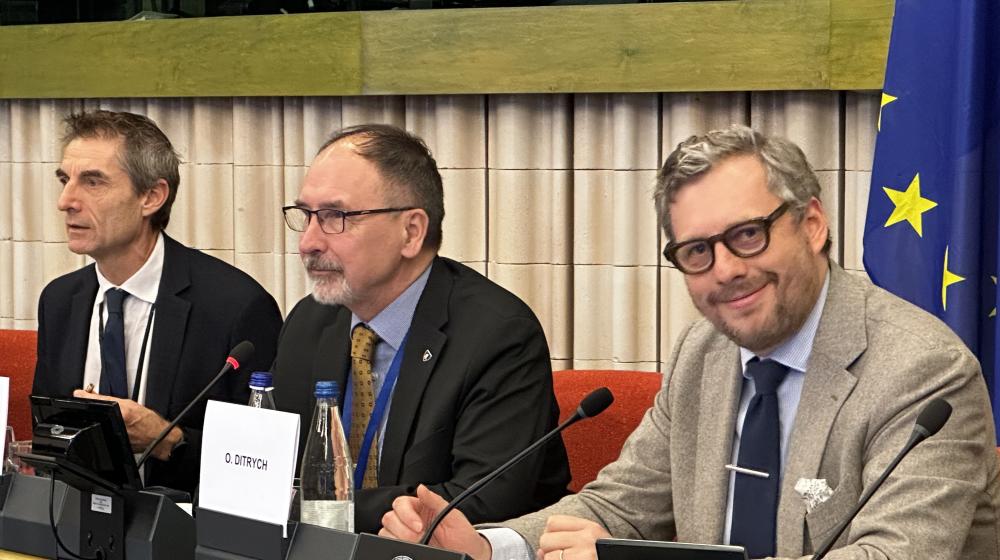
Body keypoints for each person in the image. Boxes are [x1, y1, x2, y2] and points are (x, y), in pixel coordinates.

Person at [379, 124, 1000, 559]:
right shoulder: (702, 355)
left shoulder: (923, 372)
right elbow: (621, 509)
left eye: (749, 235)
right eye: (697, 251)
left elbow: (894, 556)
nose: (726, 270)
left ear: (812, 224)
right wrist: (487, 547)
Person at [270, 123, 570, 534]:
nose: (308, 242)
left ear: (411, 231)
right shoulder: (309, 322)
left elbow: (480, 500)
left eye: (334, 217)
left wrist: (323, 507)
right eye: (305, 216)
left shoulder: (498, 335)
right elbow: (274, 474)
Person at [33, 110, 283, 494]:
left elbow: (265, 463)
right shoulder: (60, 301)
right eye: (65, 180)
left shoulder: (236, 307)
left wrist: (169, 441)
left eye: (93, 182)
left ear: (151, 196)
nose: (65, 201)